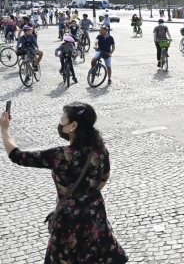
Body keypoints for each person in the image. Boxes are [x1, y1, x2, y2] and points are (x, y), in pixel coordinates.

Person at [0, 103, 129, 262]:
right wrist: (86, 195)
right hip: (95, 215)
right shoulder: (100, 149)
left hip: (69, 220)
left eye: (62, 119)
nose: (60, 123)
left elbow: (17, 156)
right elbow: (104, 177)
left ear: (73, 125)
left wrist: (5, 129)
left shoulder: (60, 155)